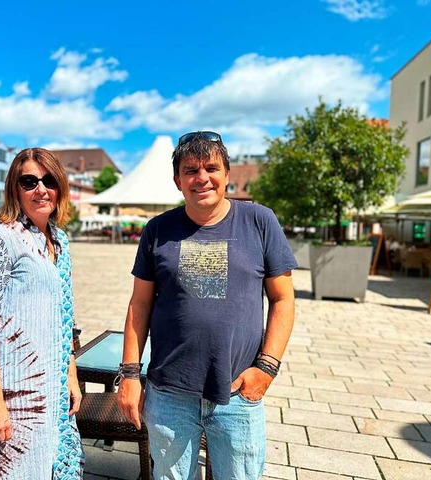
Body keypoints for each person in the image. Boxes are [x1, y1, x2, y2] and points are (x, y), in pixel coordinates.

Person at [117, 131, 297, 480]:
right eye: (190, 170)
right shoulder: (158, 229)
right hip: (169, 392)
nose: (202, 178)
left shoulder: (259, 221)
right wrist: (129, 375)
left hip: (237, 391)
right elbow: (139, 306)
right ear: (178, 181)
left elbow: (283, 299)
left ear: (227, 174)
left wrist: (267, 369)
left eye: (211, 167)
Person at [0, 147, 84, 479]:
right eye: (29, 181)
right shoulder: (0, 241)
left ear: (59, 187)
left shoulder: (60, 242)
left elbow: (66, 316)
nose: (40, 189)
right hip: (13, 397)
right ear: (15, 189)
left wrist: (70, 376)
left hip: (52, 392)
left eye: (48, 180)